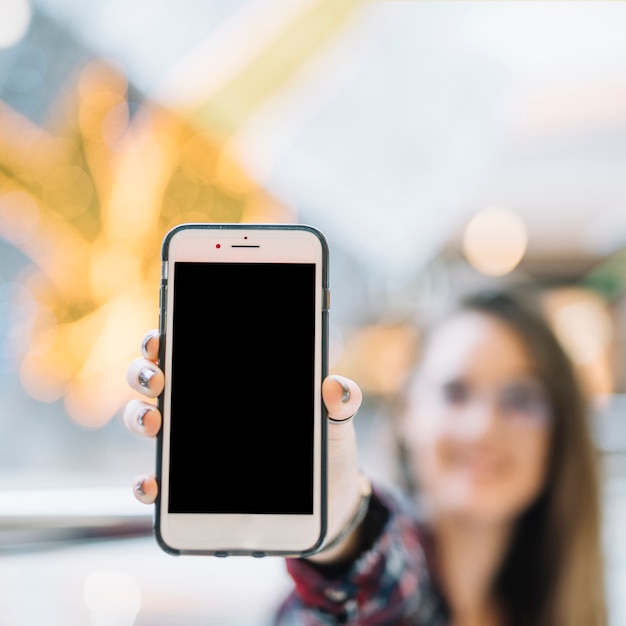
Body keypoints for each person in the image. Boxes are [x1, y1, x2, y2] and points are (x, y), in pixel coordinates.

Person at [124, 289, 607, 626]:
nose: (483, 426)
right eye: (456, 392)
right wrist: (340, 536)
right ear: (405, 414)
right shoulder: (356, 595)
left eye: (520, 398)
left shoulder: (564, 607)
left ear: (561, 429)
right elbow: (379, 589)